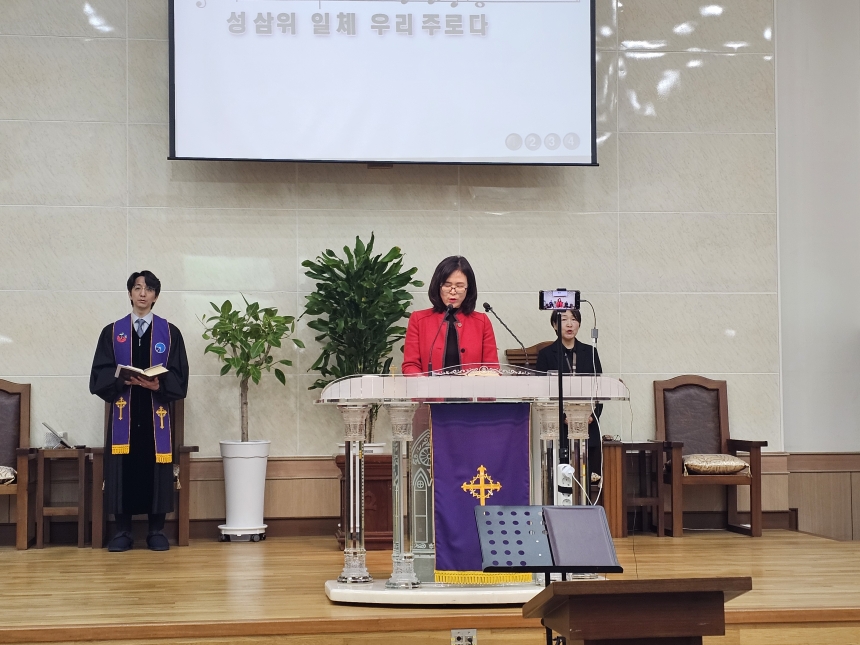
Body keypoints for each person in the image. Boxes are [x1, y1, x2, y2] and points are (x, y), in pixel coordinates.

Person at [89, 271, 189, 552]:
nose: (143, 293)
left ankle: (156, 530)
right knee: (123, 467)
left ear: (156, 296)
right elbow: (99, 375)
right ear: (130, 293)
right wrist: (121, 380)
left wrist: (160, 384)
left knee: (156, 466)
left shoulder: (170, 333)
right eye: (137, 288)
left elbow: (180, 377)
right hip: (125, 414)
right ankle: (123, 531)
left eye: (148, 289)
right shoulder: (112, 333)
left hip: (157, 414)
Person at [402, 256, 499, 374]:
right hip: (428, 386)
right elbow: (410, 365)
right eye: (447, 285)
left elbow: (492, 367)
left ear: (468, 289)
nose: (453, 292)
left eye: (459, 286)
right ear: (438, 286)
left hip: (471, 386)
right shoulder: (419, 319)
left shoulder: (482, 322)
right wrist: (422, 381)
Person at [535, 309, 603, 477]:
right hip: (558, 428)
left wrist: (592, 416)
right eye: (564, 319)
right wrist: (562, 417)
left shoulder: (591, 353)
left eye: (574, 319)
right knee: (561, 479)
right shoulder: (546, 355)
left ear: (579, 324)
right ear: (554, 325)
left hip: (587, 426)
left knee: (588, 478)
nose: (569, 324)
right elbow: (542, 393)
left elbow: (599, 390)